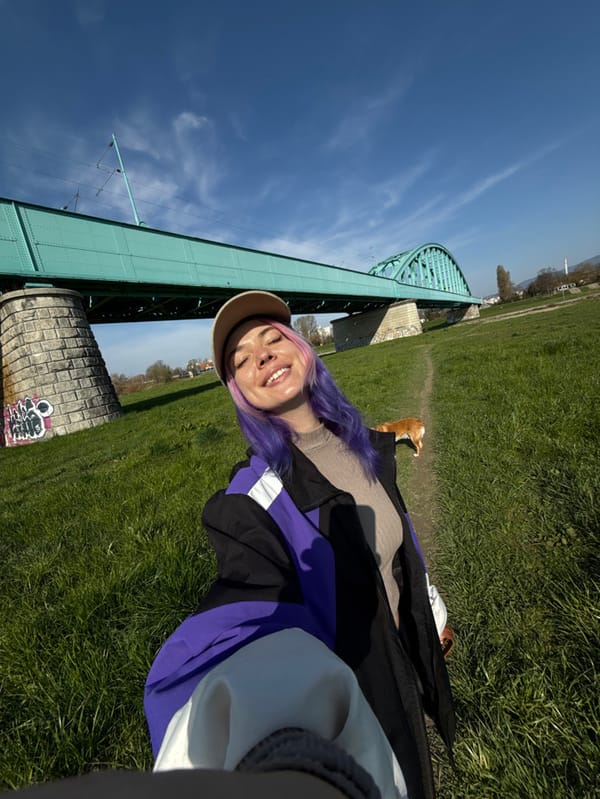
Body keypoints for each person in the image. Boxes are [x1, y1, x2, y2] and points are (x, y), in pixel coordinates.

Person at [144, 291, 455, 799]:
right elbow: (245, 606)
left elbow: (395, 548)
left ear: (303, 350)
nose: (261, 355)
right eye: (240, 359)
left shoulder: (362, 441)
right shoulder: (250, 498)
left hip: (405, 663)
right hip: (360, 700)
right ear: (238, 392)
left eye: (272, 338)